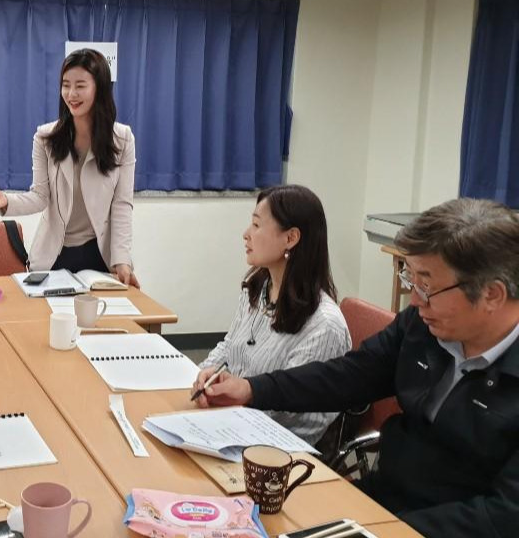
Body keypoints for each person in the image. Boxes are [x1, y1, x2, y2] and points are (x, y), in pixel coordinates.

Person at [194, 198, 519, 538]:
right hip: (382, 501)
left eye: (427, 286)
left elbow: (504, 516)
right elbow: (350, 376)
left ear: (492, 295)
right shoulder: (423, 325)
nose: (414, 300)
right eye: (411, 280)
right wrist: (251, 389)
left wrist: (382, 530)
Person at [192, 185, 351, 445]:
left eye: (256, 225)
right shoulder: (258, 290)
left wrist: (230, 401)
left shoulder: (324, 325)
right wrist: (204, 375)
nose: (246, 234)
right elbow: (230, 347)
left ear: (291, 238)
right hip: (233, 424)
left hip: (279, 447)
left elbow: (289, 406)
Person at [0, 48, 139, 287]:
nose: (71, 94)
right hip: (55, 254)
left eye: (80, 86)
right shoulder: (46, 138)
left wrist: (122, 260)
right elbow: (40, 196)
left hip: (101, 254)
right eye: (65, 85)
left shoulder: (122, 139)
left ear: (99, 88)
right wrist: (6, 201)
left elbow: (122, 205)